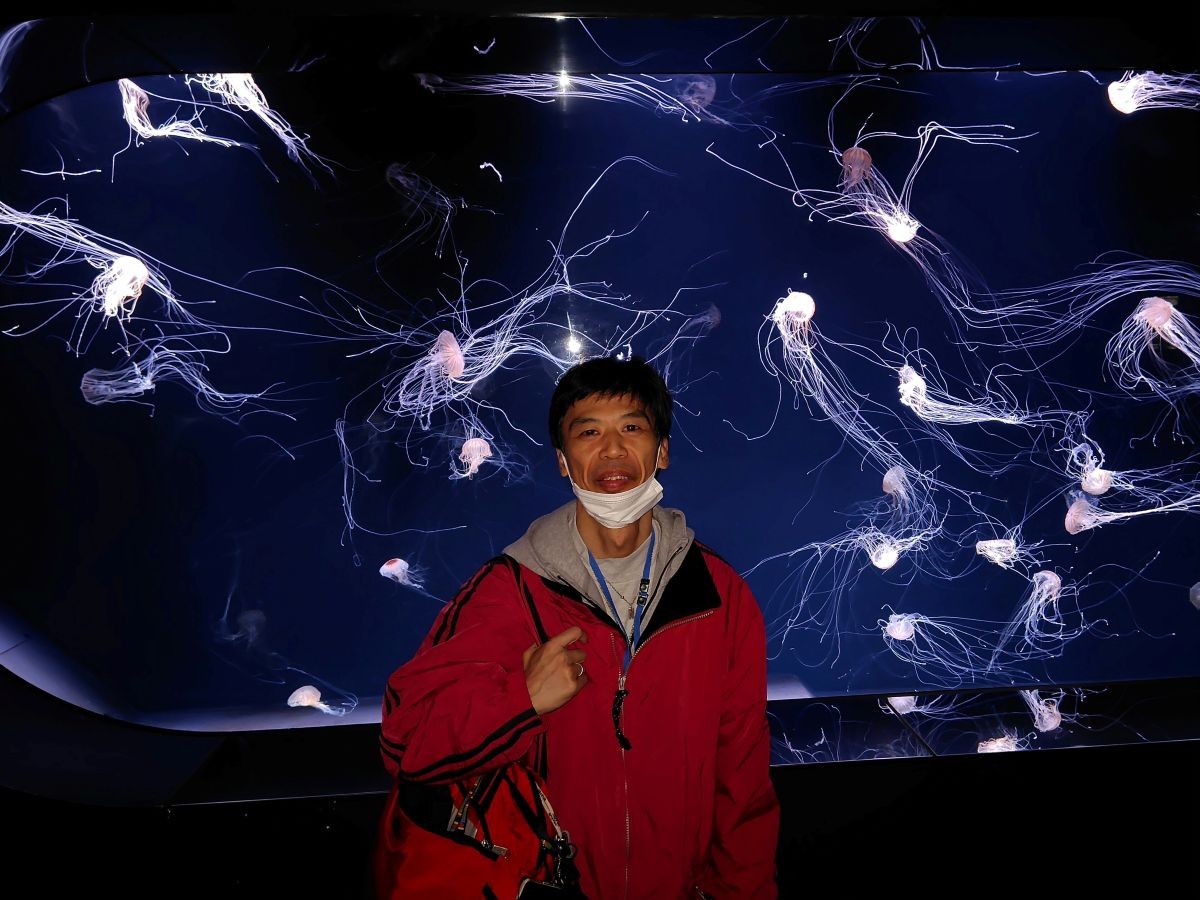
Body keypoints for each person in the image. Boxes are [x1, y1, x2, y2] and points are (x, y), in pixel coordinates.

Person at [378, 355, 779, 898]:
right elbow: (404, 739)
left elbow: (743, 779)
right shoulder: (510, 590)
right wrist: (520, 699)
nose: (612, 450)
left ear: (662, 450)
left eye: (632, 428)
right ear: (563, 461)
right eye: (588, 432)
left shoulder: (719, 596)